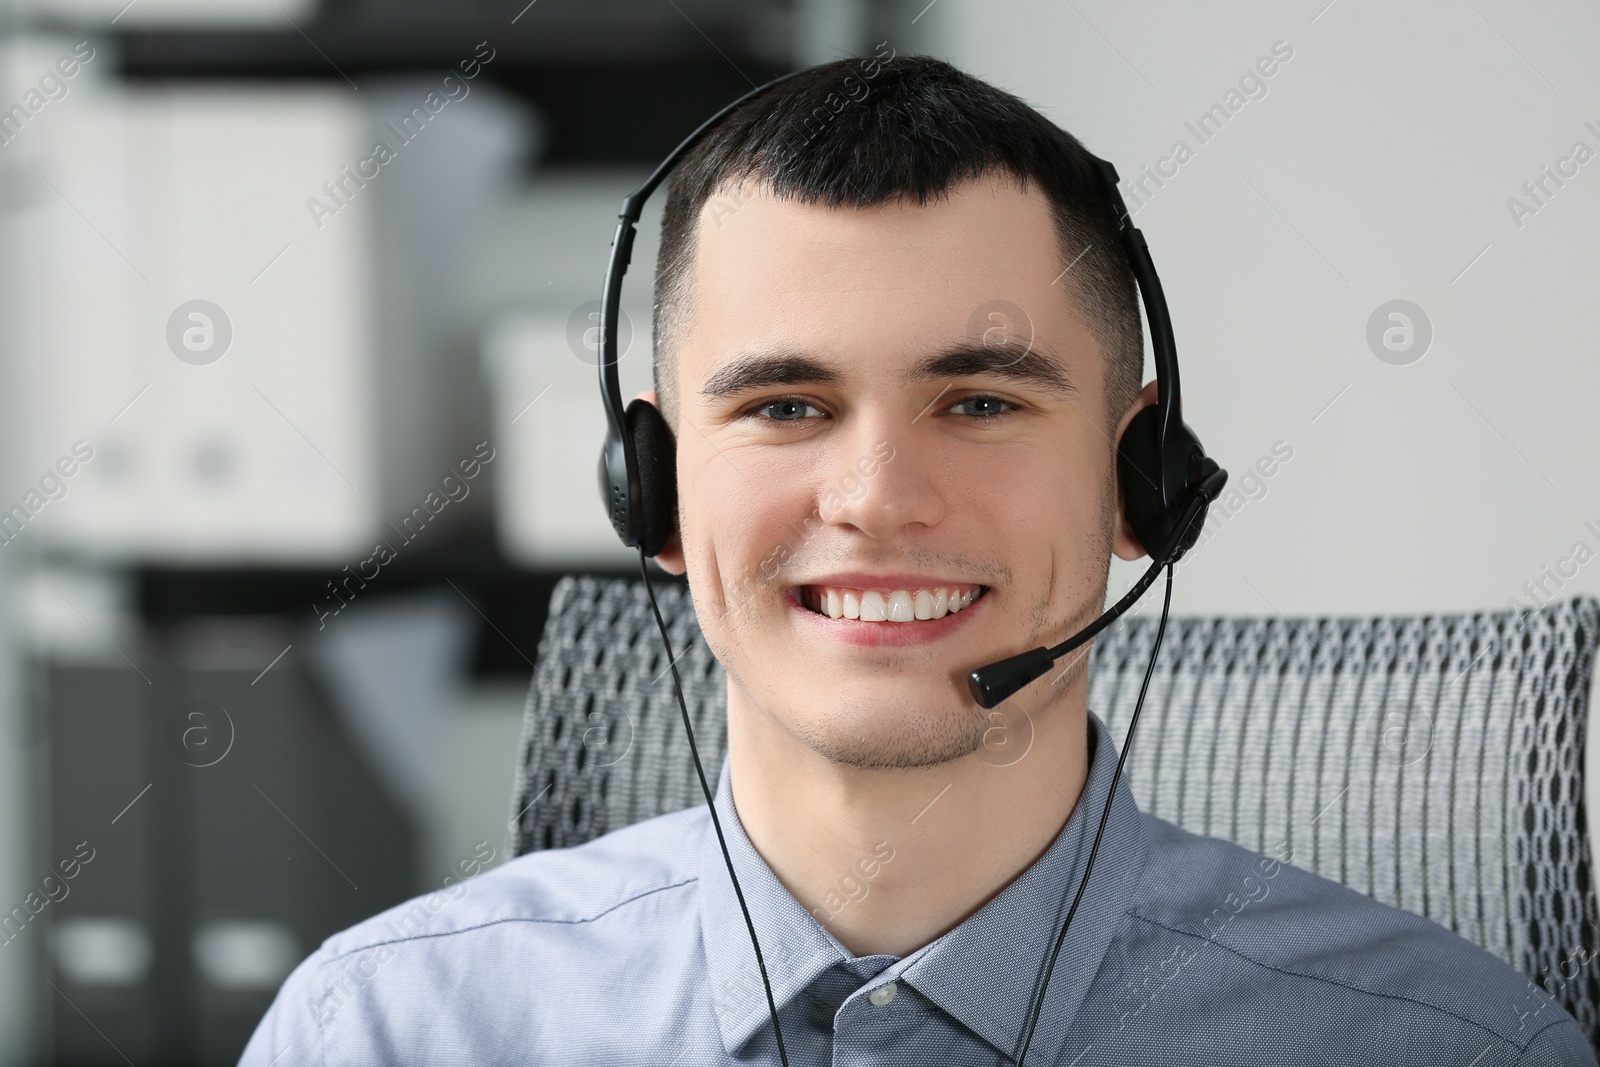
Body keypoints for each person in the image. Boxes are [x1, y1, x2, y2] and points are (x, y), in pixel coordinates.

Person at [240, 54, 1597, 1065]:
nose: (879, 500)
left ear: (1141, 482)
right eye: (784, 407)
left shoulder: (1451, 1050)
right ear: (649, 491)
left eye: (983, 402)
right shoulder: (387, 1033)